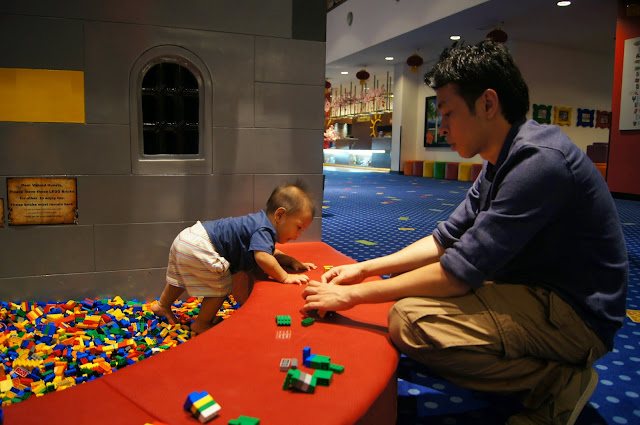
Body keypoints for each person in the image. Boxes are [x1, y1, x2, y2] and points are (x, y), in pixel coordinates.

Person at [302, 41, 628, 425]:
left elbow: (458, 273)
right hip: (533, 288)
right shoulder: (502, 158)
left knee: (409, 322)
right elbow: (445, 239)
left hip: (577, 316)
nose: (442, 127)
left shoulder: (538, 162)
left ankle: (557, 384)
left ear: (488, 104)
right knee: (407, 289)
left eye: (448, 113)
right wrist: (365, 269)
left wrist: (352, 295)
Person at [153, 181, 316, 334]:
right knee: (221, 286)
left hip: (187, 238)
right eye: (298, 227)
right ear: (280, 215)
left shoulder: (259, 223)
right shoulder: (264, 229)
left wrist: (291, 261)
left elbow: (269, 253)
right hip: (202, 246)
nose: (298, 235)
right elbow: (263, 257)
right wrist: (285, 277)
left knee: (180, 278)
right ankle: (201, 323)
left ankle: (163, 305)